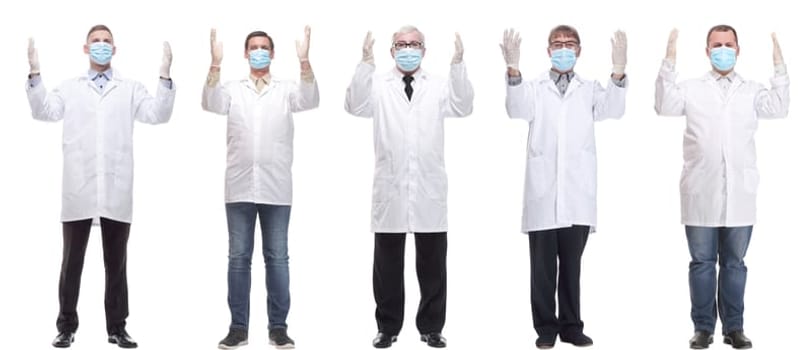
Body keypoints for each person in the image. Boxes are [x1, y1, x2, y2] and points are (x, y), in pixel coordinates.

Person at [27, 24, 174, 350]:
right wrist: (35, 75)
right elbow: (43, 111)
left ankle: (117, 328)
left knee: (117, 263)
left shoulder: (130, 88)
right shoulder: (69, 87)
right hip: (79, 188)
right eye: (96, 41)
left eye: (107, 41)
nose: (102, 46)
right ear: (85, 48)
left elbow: (158, 114)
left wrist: (164, 78)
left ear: (115, 49)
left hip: (115, 188)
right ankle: (66, 326)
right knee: (71, 262)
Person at [653, 24, 790, 350]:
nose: (723, 50)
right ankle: (703, 329)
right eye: (717, 44)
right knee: (701, 264)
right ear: (707, 50)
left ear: (738, 50)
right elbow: (663, 105)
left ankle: (734, 328)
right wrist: (668, 63)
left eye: (729, 44)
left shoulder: (752, 89)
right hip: (701, 189)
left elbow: (780, 108)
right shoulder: (691, 88)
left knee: (734, 264)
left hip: (740, 193)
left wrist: (779, 66)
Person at [343, 25, 473, 349]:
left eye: (414, 44)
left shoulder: (439, 86)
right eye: (401, 44)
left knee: (433, 267)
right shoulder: (377, 85)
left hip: (428, 189)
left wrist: (458, 66)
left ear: (424, 50)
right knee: (387, 267)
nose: (408, 48)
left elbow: (463, 105)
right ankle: (387, 328)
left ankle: (431, 327)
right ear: (392, 51)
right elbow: (353, 105)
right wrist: (364, 65)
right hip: (391, 189)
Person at [500, 25, 628, 349]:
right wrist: (513, 70)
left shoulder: (590, 89)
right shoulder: (533, 88)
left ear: (579, 50)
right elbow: (516, 109)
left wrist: (618, 71)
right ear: (547, 51)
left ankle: (571, 327)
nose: (563, 48)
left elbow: (613, 110)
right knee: (542, 270)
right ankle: (545, 329)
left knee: (571, 267)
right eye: (557, 44)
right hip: (543, 194)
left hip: (577, 194)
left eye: (569, 44)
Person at [201, 26, 318, 350]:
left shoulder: (286, 90)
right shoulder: (232, 90)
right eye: (253, 47)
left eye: (264, 47)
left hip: (276, 188)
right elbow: (209, 103)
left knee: (277, 258)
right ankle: (238, 328)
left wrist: (305, 61)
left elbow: (311, 99)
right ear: (244, 53)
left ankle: (278, 328)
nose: (259, 51)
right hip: (238, 188)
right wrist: (214, 65)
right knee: (239, 258)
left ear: (273, 53)